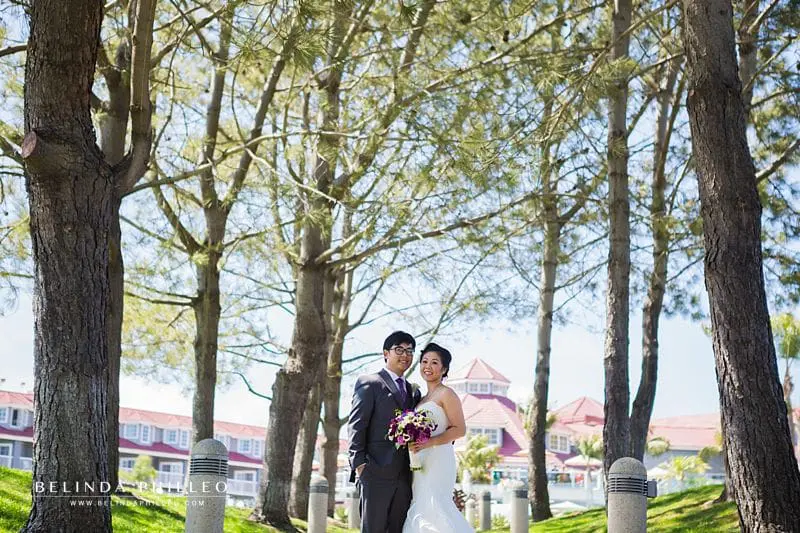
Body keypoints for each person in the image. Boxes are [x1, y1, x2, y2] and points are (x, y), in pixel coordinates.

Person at [348, 331, 422, 533]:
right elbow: (356, 424)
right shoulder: (370, 382)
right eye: (399, 349)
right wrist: (360, 465)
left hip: (404, 476)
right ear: (385, 353)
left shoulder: (414, 391)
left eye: (409, 351)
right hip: (374, 472)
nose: (405, 355)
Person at [403, 343, 474, 533]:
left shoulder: (446, 394)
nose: (428, 366)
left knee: (435, 504)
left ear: (444, 369)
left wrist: (430, 442)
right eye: (424, 361)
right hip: (420, 460)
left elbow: (459, 429)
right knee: (421, 503)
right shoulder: (421, 399)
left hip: (439, 458)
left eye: (434, 362)